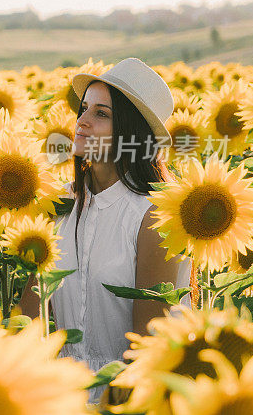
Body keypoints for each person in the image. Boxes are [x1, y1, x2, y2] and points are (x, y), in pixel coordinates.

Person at [21, 57, 189, 403]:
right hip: (61, 394)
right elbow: (31, 313)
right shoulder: (60, 204)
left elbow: (147, 343)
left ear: (130, 132)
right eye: (83, 109)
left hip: (129, 396)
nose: (81, 122)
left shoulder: (154, 215)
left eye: (101, 114)